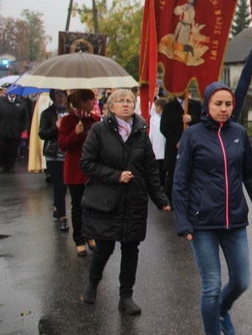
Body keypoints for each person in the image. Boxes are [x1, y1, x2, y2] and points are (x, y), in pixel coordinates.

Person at [173, 82, 252, 334]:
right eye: (217, 104)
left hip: (235, 222)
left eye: (228, 104)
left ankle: (219, 311)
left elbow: (251, 178)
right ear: (207, 105)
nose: (223, 109)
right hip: (202, 223)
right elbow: (179, 183)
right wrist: (182, 221)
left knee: (241, 281)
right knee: (211, 285)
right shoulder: (192, 135)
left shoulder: (239, 133)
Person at [79, 88, 170, 315]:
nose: (126, 104)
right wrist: (115, 175)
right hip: (108, 200)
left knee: (131, 249)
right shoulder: (99, 130)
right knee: (104, 248)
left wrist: (161, 200)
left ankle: (126, 297)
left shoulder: (140, 133)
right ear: (111, 106)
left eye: (129, 100)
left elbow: (150, 170)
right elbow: (87, 163)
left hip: (134, 200)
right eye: (120, 101)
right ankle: (92, 282)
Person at [59, 89, 100, 257]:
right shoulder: (68, 121)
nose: (94, 104)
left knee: (92, 207)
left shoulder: (94, 120)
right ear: (83, 102)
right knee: (78, 207)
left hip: (93, 171)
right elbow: (63, 145)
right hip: (75, 171)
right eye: (91, 101)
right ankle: (79, 239)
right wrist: (75, 133)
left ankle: (90, 235)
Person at [160, 93, 201, 205]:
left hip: (193, 145)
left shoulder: (196, 105)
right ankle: (170, 201)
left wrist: (192, 118)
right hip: (175, 146)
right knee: (173, 174)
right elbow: (164, 127)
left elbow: (204, 120)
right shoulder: (169, 107)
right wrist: (177, 142)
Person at [39, 89, 69, 232]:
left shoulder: (72, 111)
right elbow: (42, 133)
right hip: (54, 153)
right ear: (52, 95)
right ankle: (63, 216)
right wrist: (55, 128)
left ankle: (58, 205)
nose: (60, 95)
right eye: (57, 93)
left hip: (69, 153)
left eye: (62, 92)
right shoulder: (47, 113)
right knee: (59, 185)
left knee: (66, 185)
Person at [0, 88, 29, 172]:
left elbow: (26, 117)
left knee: (13, 149)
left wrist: (25, 128)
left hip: (16, 130)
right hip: (2, 130)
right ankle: (1, 164)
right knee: (2, 148)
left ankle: (11, 165)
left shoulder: (22, 103)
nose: (13, 93)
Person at [149, 98, 167, 188]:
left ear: (159, 107)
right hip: (155, 146)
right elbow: (151, 132)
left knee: (163, 168)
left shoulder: (166, 116)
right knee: (156, 167)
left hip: (163, 145)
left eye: (155, 107)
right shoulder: (153, 118)